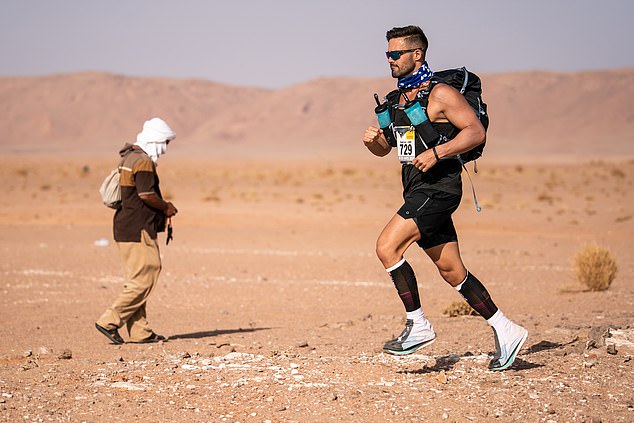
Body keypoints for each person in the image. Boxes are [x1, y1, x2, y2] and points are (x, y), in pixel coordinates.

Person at [362, 25, 527, 371]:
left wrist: (437, 154)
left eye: (396, 54)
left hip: (439, 189)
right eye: (387, 54)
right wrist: (373, 142)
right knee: (453, 271)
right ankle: (506, 329)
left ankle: (417, 324)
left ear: (417, 54)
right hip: (417, 189)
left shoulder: (441, 94)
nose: (390, 60)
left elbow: (474, 132)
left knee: (386, 247)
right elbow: (388, 150)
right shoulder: (397, 101)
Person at [95, 117, 178, 344]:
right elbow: (146, 195)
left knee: (136, 278)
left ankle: (140, 331)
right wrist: (166, 207)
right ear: (156, 139)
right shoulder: (142, 161)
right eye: (165, 143)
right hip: (138, 228)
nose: (165, 148)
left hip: (125, 226)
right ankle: (109, 320)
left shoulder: (129, 157)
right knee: (147, 276)